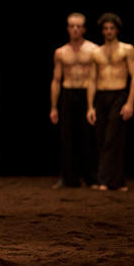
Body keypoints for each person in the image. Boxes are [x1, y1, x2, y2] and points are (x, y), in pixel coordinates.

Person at [86, 13, 134, 191]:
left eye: (112, 28)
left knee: (112, 137)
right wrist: (90, 107)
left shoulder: (127, 49)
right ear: (102, 31)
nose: (108, 32)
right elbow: (92, 80)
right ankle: (117, 182)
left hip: (119, 95)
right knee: (102, 138)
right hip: (101, 96)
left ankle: (103, 180)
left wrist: (130, 102)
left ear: (117, 30)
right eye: (105, 29)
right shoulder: (96, 53)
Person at [50, 13, 99, 189]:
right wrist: (54, 107)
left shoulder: (94, 50)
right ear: (68, 29)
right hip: (68, 94)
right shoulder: (61, 52)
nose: (75, 29)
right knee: (67, 137)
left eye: (78, 26)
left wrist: (92, 104)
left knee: (88, 137)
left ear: (84, 29)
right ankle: (68, 178)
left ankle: (91, 177)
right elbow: (56, 80)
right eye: (72, 26)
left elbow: (95, 77)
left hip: (87, 93)